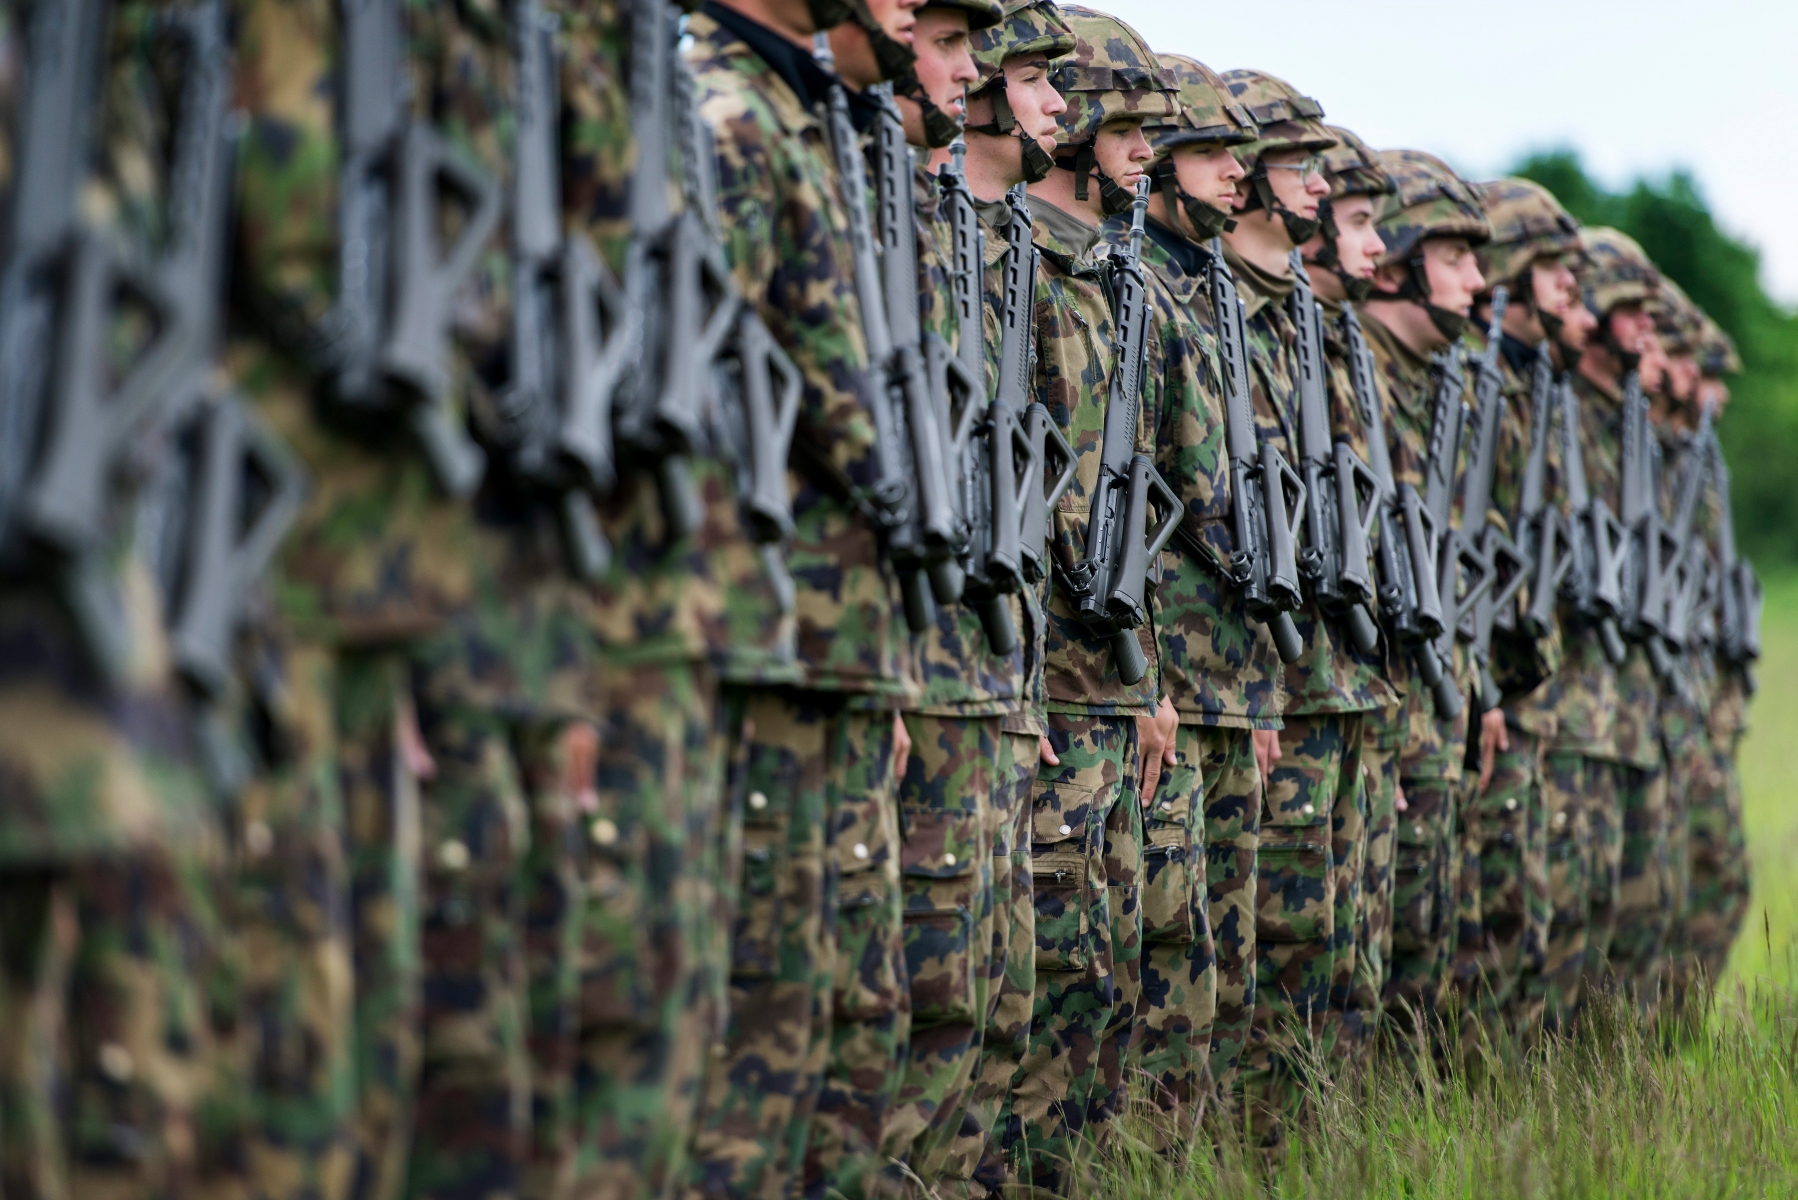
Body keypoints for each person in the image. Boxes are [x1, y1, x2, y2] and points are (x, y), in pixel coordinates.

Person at [684, 0, 922, 1191]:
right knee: (760, 1001)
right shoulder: (731, 120)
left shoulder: (801, 120)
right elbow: (706, 382)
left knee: (830, 996)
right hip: (758, 628)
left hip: (824, 637)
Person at [1013, 6, 1178, 1188]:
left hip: (1111, 684)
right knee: (1048, 980)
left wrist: (1148, 678)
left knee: (1107, 979)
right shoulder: (1016, 259)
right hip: (1045, 682)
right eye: (1124, 124)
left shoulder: (1111, 285)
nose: (1139, 151)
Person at [1217, 69, 1393, 1146]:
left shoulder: (1312, 328)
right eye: (1303, 170)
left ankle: (1317, 1154)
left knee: (1340, 950)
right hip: (1252, 679)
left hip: (1338, 676)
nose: (1322, 197)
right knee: (1263, 953)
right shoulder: (1206, 310)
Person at [1104, 48, 1271, 1147]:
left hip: (1219, 678)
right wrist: (1147, 680)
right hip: (1146, 679)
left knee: (1214, 963)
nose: (1241, 177)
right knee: (1141, 964)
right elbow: (1150, 497)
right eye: (1212, 151)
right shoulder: (1136, 284)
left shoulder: (1208, 295)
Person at [926, 5, 1075, 1189]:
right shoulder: (920, 225)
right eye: (1031, 79)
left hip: (1007, 673)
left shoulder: (1021, 253)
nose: (1047, 103)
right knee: (921, 1006)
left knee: (998, 1006)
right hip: (920, 671)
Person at [1357, 149, 1491, 1035]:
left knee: (1419, 955)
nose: (1478, 281)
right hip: (1367, 703)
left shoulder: (1434, 388)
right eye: (1455, 257)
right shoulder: (1340, 366)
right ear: (1401, 262)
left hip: (1430, 702)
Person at [1455, 178, 1587, 1045]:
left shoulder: (1531, 385)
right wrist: (1485, 686)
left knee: (1521, 905)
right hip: (1476, 685)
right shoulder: (1475, 385)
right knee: (1472, 911)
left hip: (1521, 677)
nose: (1570, 288)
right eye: (1551, 268)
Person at [1298, 123, 1401, 1053]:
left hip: (1352, 687)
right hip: (1275, 690)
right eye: (1362, 222)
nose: (1378, 248)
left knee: (1350, 959)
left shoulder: (1339, 347)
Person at [1565, 228, 1669, 1022]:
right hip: (1563, 704)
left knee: (1624, 904)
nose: (1646, 331)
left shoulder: (1624, 420)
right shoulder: (1561, 410)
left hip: (1621, 703)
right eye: (1631, 311)